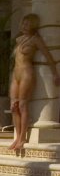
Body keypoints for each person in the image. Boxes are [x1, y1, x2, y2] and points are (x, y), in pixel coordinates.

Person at [9, 13, 60, 151]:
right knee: (13, 106)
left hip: (27, 73)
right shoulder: (19, 39)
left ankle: (22, 138)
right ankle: (17, 136)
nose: (24, 26)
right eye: (23, 23)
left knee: (22, 105)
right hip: (15, 74)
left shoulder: (36, 39)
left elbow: (48, 56)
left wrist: (55, 74)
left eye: (27, 24)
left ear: (33, 25)